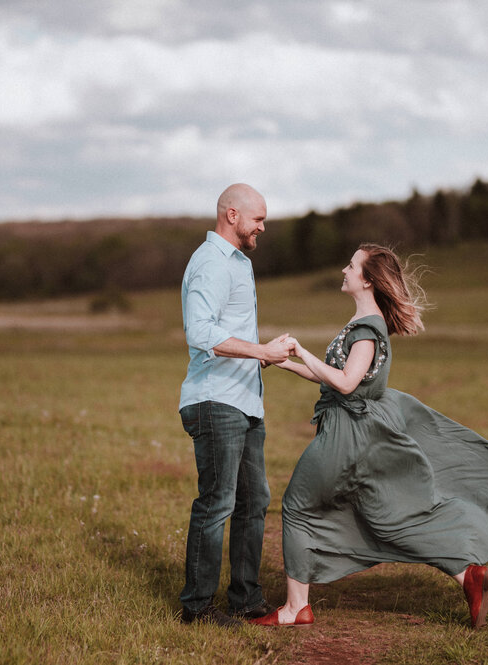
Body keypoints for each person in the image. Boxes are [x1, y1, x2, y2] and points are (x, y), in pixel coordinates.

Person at [250, 243, 488, 629]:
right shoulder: (363, 325)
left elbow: (347, 383)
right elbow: (334, 382)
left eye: (351, 265)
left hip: (346, 435)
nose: (344, 269)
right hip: (359, 433)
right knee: (388, 520)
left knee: (297, 505)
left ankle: (295, 608)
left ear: (367, 280)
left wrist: (303, 351)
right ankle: (468, 576)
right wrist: (282, 362)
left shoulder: (367, 330)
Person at [178, 183, 293, 628]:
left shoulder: (240, 264)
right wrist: (263, 352)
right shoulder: (209, 263)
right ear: (231, 214)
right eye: (258, 218)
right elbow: (200, 333)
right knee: (217, 501)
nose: (262, 226)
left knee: (254, 500)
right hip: (215, 400)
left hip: (246, 401)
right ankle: (197, 609)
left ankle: (245, 599)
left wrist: (265, 354)